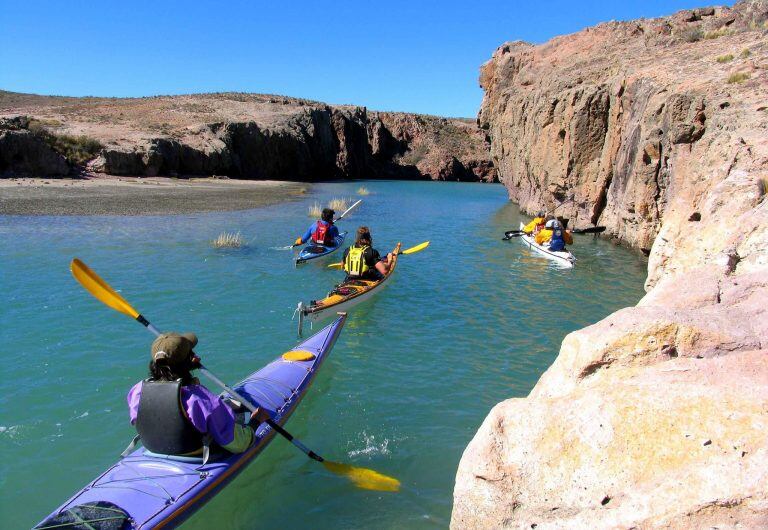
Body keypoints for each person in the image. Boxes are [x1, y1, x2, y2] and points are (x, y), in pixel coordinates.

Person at [127, 332, 270, 456]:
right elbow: (239, 444)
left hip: (154, 447)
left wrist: (187, 367)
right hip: (195, 453)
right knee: (235, 413)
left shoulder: (138, 390)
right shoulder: (200, 399)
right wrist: (255, 422)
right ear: (188, 359)